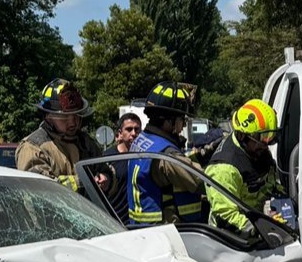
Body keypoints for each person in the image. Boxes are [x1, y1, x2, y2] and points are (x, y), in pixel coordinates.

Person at [127, 81, 205, 225]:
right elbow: (199, 180)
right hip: (164, 231)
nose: (183, 125)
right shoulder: (166, 155)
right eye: (182, 119)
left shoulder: (143, 141)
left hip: (141, 228)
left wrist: (199, 155)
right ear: (168, 120)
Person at [205, 99, 284, 237]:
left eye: (270, 137)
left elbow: (271, 185)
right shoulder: (224, 169)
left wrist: (284, 202)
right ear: (242, 136)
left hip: (258, 225)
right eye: (262, 137)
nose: (266, 144)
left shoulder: (258, 150)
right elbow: (225, 217)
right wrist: (261, 230)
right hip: (231, 240)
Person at [15, 79, 102, 190]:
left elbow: (107, 171)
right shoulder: (33, 147)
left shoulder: (86, 142)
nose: (73, 122)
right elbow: (40, 188)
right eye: (65, 117)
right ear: (48, 116)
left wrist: (107, 180)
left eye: (76, 115)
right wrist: (84, 182)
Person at [99, 113, 143, 222]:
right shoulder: (107, 157)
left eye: (137, 129)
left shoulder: (144, 157)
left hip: (137, 221)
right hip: (113, 220)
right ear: (120, 133)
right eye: (129, 129)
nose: (134, 133)